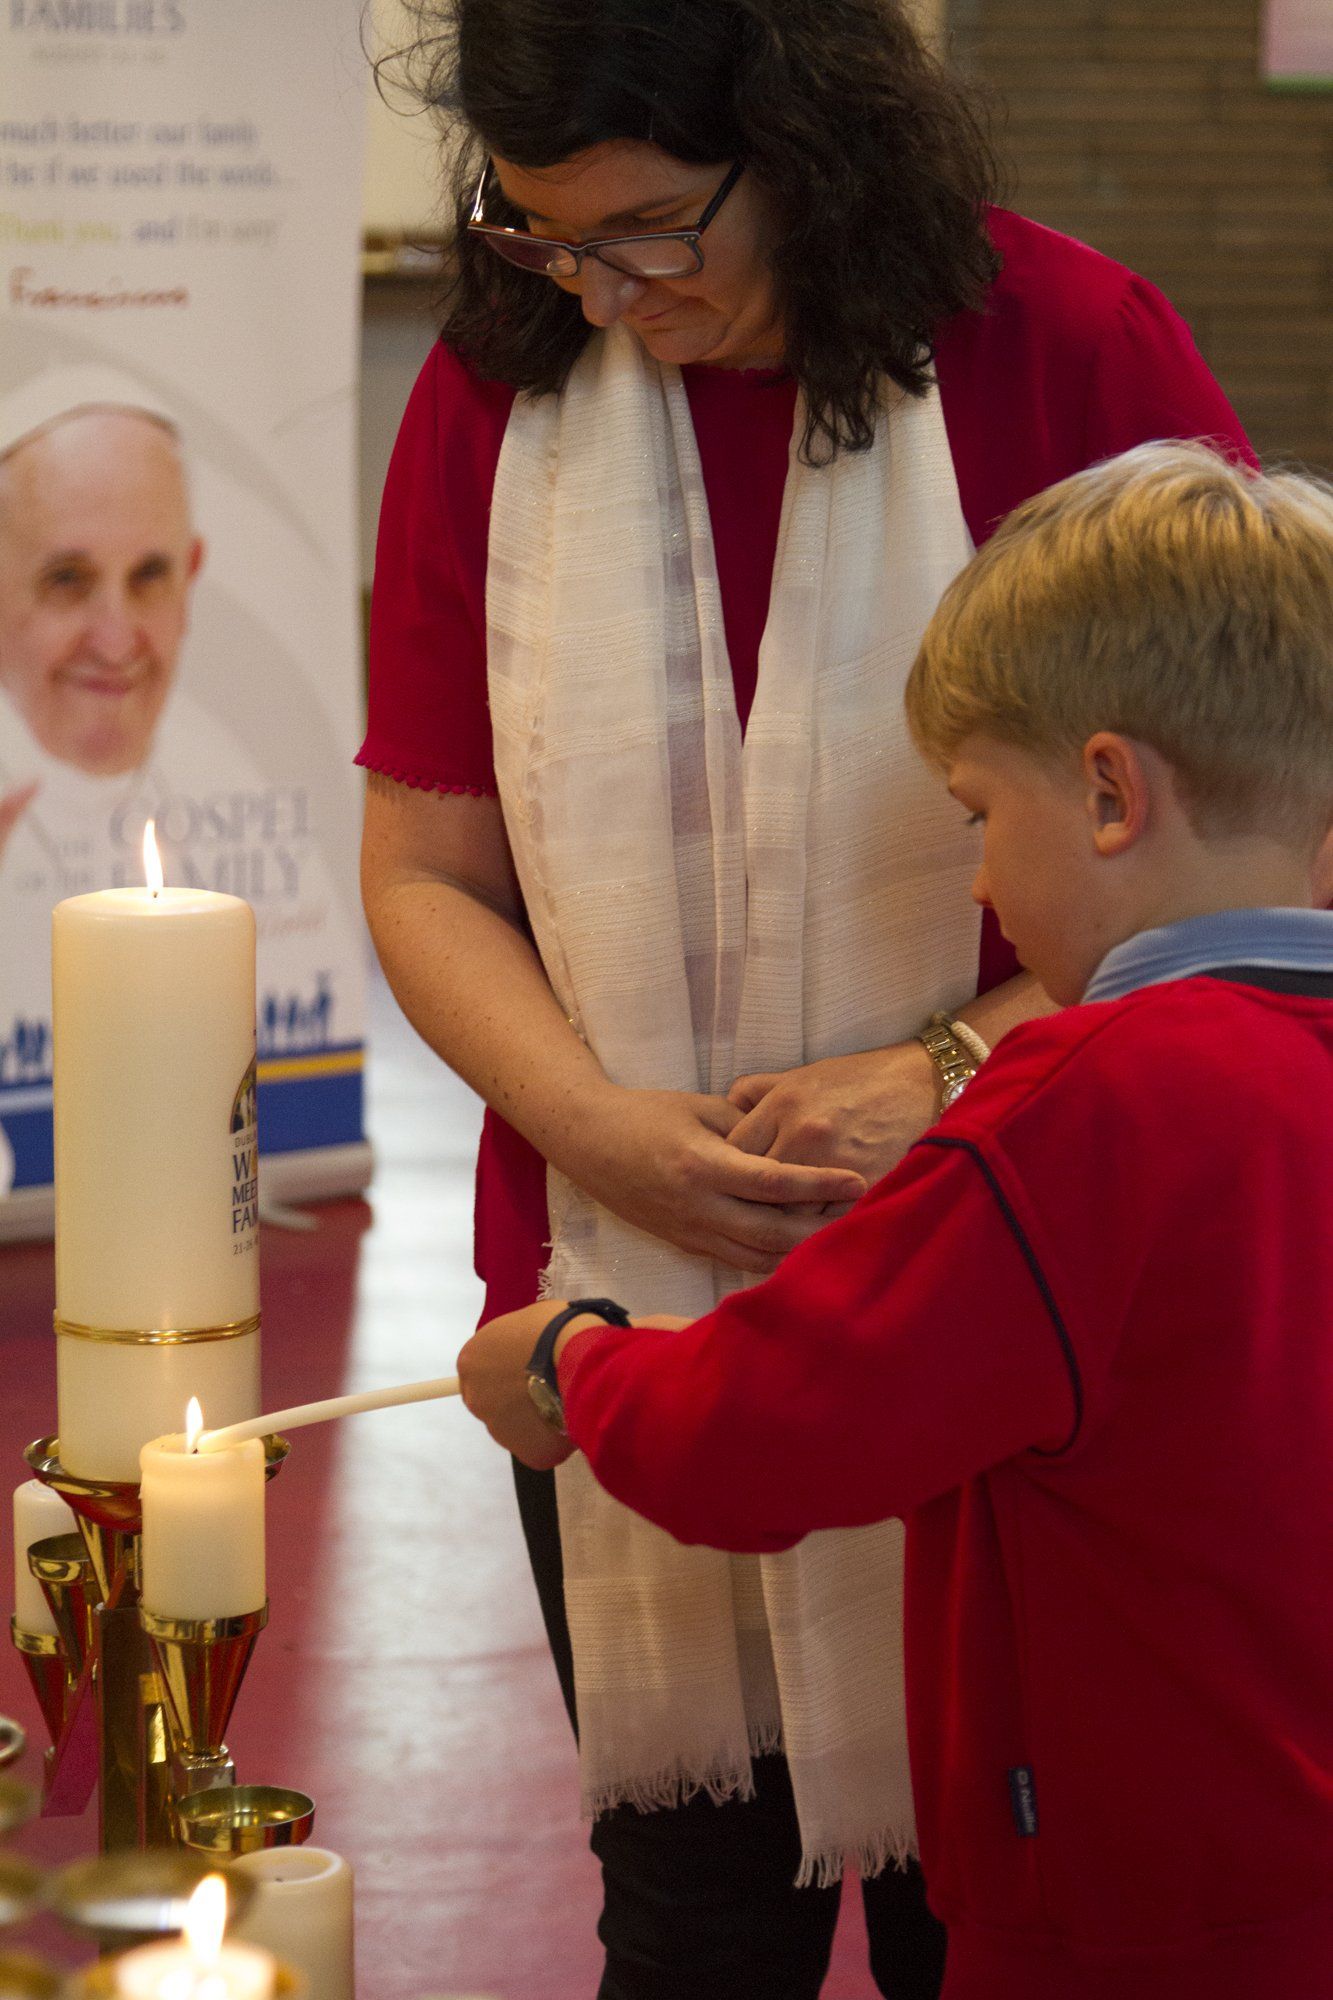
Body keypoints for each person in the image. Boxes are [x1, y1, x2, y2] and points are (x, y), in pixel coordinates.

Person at [358, 2, 1252, 1989]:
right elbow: (424, 867)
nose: (609, 290)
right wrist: (601, 1133)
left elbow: (1261, 857)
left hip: (1016, 1256)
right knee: (690, 1917)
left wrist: (941, 1070)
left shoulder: (1071, 347)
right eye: (546, 236)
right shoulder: (510, 381)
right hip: (610, 1261)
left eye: (658, 231)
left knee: (990, 1902)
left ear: (806, 140)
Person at [457, 442, 1333, 2000]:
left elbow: (768, 1432)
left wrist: (576, 1365)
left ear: (1111, 792)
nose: (985, 875)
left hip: (1125, 1923)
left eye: (977, 814)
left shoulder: (1085, 1106)